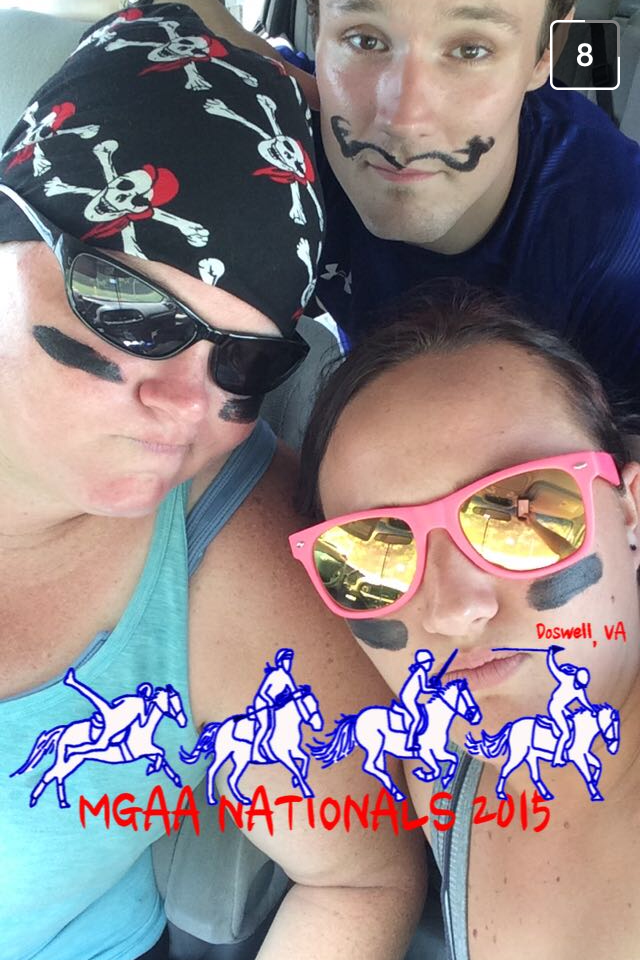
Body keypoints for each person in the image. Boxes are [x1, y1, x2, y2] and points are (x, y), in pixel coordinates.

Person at [0, 7, 426, 959]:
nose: (188, 406)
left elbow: (360, 871)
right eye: (129, 306)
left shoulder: (222, 540)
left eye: (243, 361)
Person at [291, 285, 640, 958]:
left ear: (630, 513)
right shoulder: (435, 762)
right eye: (371, 551)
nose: (453, 612)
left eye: (522, 512)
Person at [189, 0, 640, 413]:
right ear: (318, 25)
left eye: (470, 50)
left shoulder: (619, 237)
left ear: (545, 54)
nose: (403, 122)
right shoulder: (287, 132)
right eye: (365, 40)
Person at [546, 643, 596, 766]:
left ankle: (570, 749)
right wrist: (551, 654)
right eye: (578, 683)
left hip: (563, 708)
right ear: (576, 679)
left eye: (581, 685)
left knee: (575, 724)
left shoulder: (579, 690)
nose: (578, 686)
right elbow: (554, 668)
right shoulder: (566, 679)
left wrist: (593, 710)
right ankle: (557, 757)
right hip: (555, 707)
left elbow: (585, 703)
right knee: (565, 733)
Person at [251, 647, 298, 762]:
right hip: (263, 702)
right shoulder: (274, 675)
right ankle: (255, 751)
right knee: (266, 726)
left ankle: (267, 749)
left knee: (275, 726)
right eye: (286, 661)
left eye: (290, 661)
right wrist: (270, 701)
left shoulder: (287, 677)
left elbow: (294, 692)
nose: (289, 664)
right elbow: (263, 692)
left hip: (274, 705)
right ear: (280, 662)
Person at [399, 649, 435, 753]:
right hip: (409, 698)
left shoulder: (420, 672)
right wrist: (436, 688)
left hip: (411, 697)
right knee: (417, 718)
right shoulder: (421, 673)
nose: (429, 664)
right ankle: (410, 742)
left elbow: (425, 687)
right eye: (428, 662)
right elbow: (424, 689)